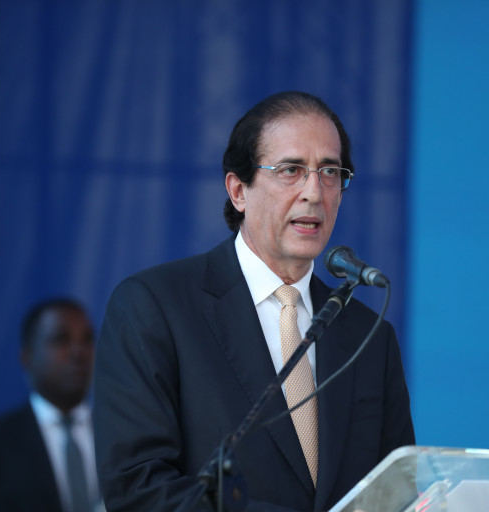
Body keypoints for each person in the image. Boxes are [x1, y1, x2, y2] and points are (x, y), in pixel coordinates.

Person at [93, 91, 415, 512]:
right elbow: (139, 487)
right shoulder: (155, 308)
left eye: (330, 172)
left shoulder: (370, 337)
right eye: (291, 170)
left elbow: (398, 494)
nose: (314, 192)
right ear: (238, 190)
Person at [0, 298, 101, 512]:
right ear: (27, 357)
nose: (79, 352)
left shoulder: (123, 435)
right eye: (61, 340)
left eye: (87, 340)